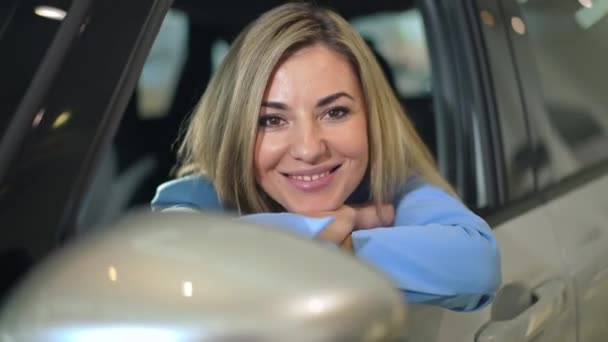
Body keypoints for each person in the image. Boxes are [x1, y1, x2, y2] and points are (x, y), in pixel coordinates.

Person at [152, 3, 501, 311]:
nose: (309, 148)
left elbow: (477, 263)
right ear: (236, 131)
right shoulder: (202, 192)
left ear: (371, 117)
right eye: (272, 120)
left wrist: (333, 241)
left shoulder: (394, 188)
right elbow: (169, 258)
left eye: (334, 112)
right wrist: (336, 227)